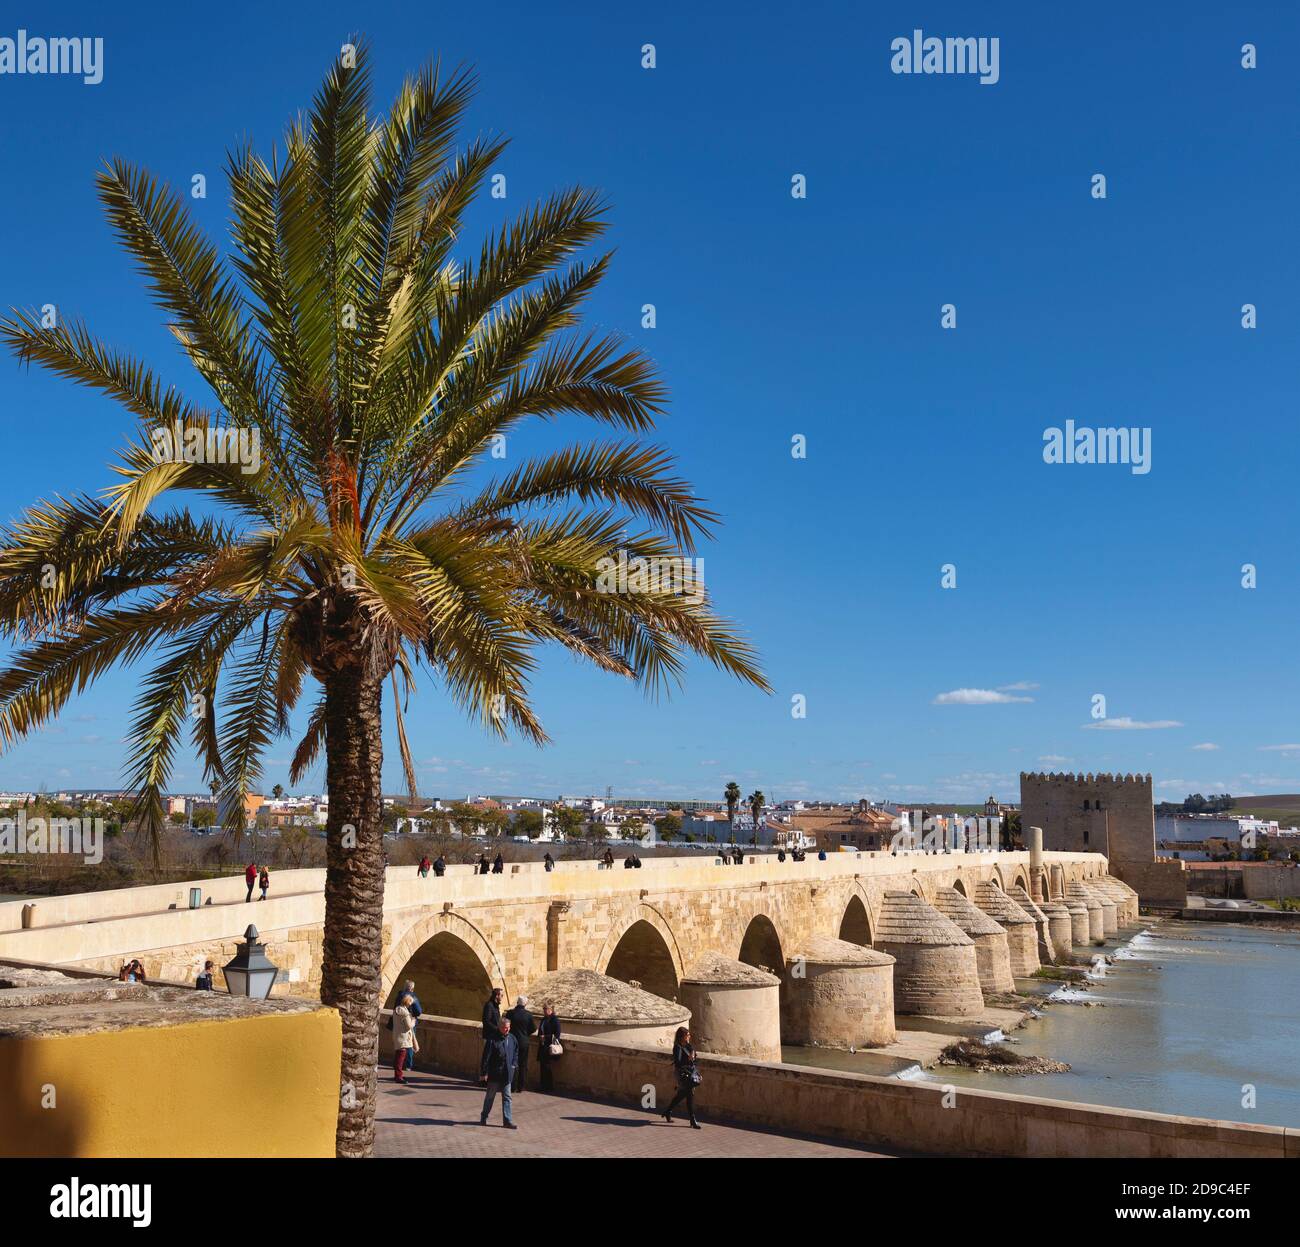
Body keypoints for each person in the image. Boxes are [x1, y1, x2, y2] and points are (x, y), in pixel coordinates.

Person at [479, 1018, 519, 1128]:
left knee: (507, 1097)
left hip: (507, 1074)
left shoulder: (512, 1038)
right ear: (500, 1027)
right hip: (495, 1073)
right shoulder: (492, 1040)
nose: (507, 1030)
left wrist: (514, 1064)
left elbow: (516, 1052)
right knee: (490, 1097)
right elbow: (486, 1057)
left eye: (508, 1027)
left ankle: (507, 1121)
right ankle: (484, 1116)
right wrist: (484, 1072)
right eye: (505, 1028)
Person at [662, 1025, 701, 1128]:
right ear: (682, 1036)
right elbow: (678, 1063)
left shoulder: (688, 1045)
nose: (689, 1036)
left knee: (682, 1095)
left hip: (690, 1073)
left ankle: (668, 1111)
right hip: (683, 1074)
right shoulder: (678, 1047)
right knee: (689, 1096)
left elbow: (694, 1059)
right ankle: (692, 1120)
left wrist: (693, 1055)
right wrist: (688, 1059)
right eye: (687, 1035)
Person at [505, 995, 536, 1092]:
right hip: (524, 1042)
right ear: (525, 1004)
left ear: (517, 1002)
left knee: (512, 1063)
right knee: (523, 1064)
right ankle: (521, 1086)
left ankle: (512, 1086)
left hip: (511, 1041)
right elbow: (533, 1029)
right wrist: (525, 1034)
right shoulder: (528, 1015)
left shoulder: (510, 1013)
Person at [392, 993, 417, 1083]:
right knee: (401, 1057)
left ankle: (397, 1075)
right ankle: (399, 1077)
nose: (411, 1004)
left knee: (398, 1056)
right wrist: (413, 1021)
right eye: (411, 1002)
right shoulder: (405, 1013)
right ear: (408, 1002)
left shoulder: (397, 1009)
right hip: (404, 1037)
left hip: (397, 1035)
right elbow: (409, 1026)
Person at [537, 1002, 562, 1092]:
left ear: (551, 1010)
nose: (544, 1011)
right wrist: (540, 1036)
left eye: (545, 1009)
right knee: (542, 1066)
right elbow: (540, 1031)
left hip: (549, 1046)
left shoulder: (555, 1020)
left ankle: (548, 1086)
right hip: (543, 1046)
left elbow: (557, 1035)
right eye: (543, 1009)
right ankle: (543, 1085)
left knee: (547, 1067)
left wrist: (545, 1037)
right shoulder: (543, 1019)